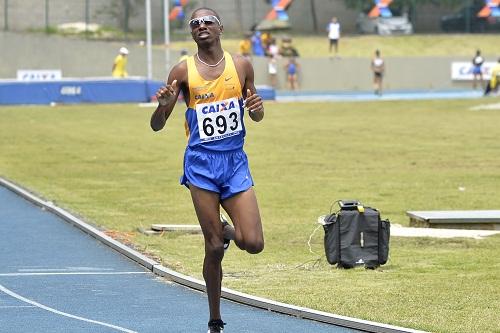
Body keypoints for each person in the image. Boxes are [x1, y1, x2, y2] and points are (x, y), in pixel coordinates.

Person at [150, 7, 265, 333]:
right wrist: (163, 106)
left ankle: (228, 231)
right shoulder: (182, 71)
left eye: (207, 22)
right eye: (195, 23)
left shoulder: (241, 65)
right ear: (192, 33)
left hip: (234, 162)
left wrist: (257, 110)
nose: (201, 26)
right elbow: (157, 125)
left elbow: (254, 114)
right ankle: (215, 319)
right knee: (213, 247)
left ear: (220, 28)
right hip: (201, 164)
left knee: (254, 243)